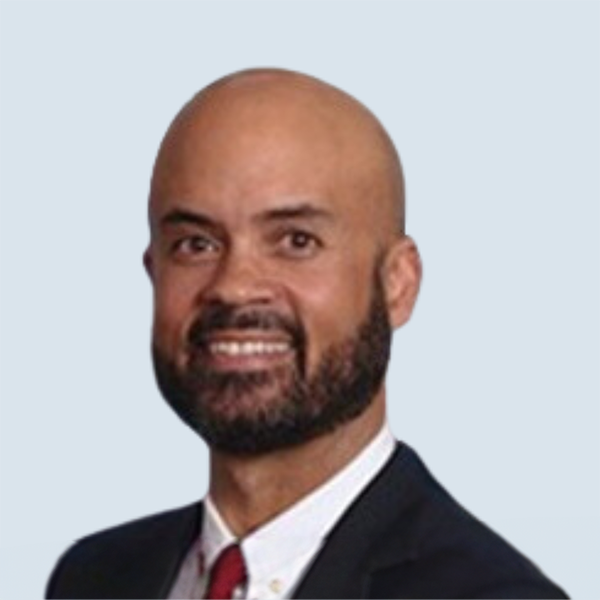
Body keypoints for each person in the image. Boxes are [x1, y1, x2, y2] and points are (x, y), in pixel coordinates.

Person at [46, 68, 567, 599]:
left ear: (397, 285)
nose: (234, 287)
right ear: (152, 270)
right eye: (196, 244)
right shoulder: (94, 578)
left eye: (296, 241)